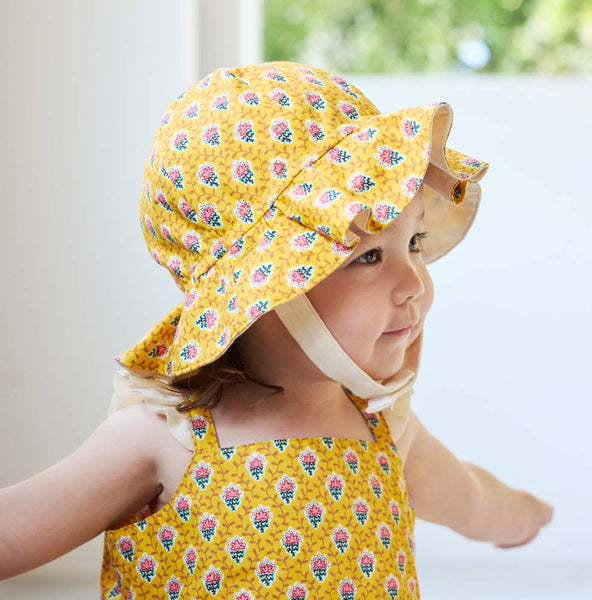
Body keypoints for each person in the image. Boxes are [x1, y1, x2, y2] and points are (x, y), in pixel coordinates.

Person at [0, 61, 553, 598]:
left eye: (414, 243)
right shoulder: (163, 437)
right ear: (265, 292)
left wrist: (525, 516)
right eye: (367, 256)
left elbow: (473, 500)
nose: (416, 283)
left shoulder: (386, 430)